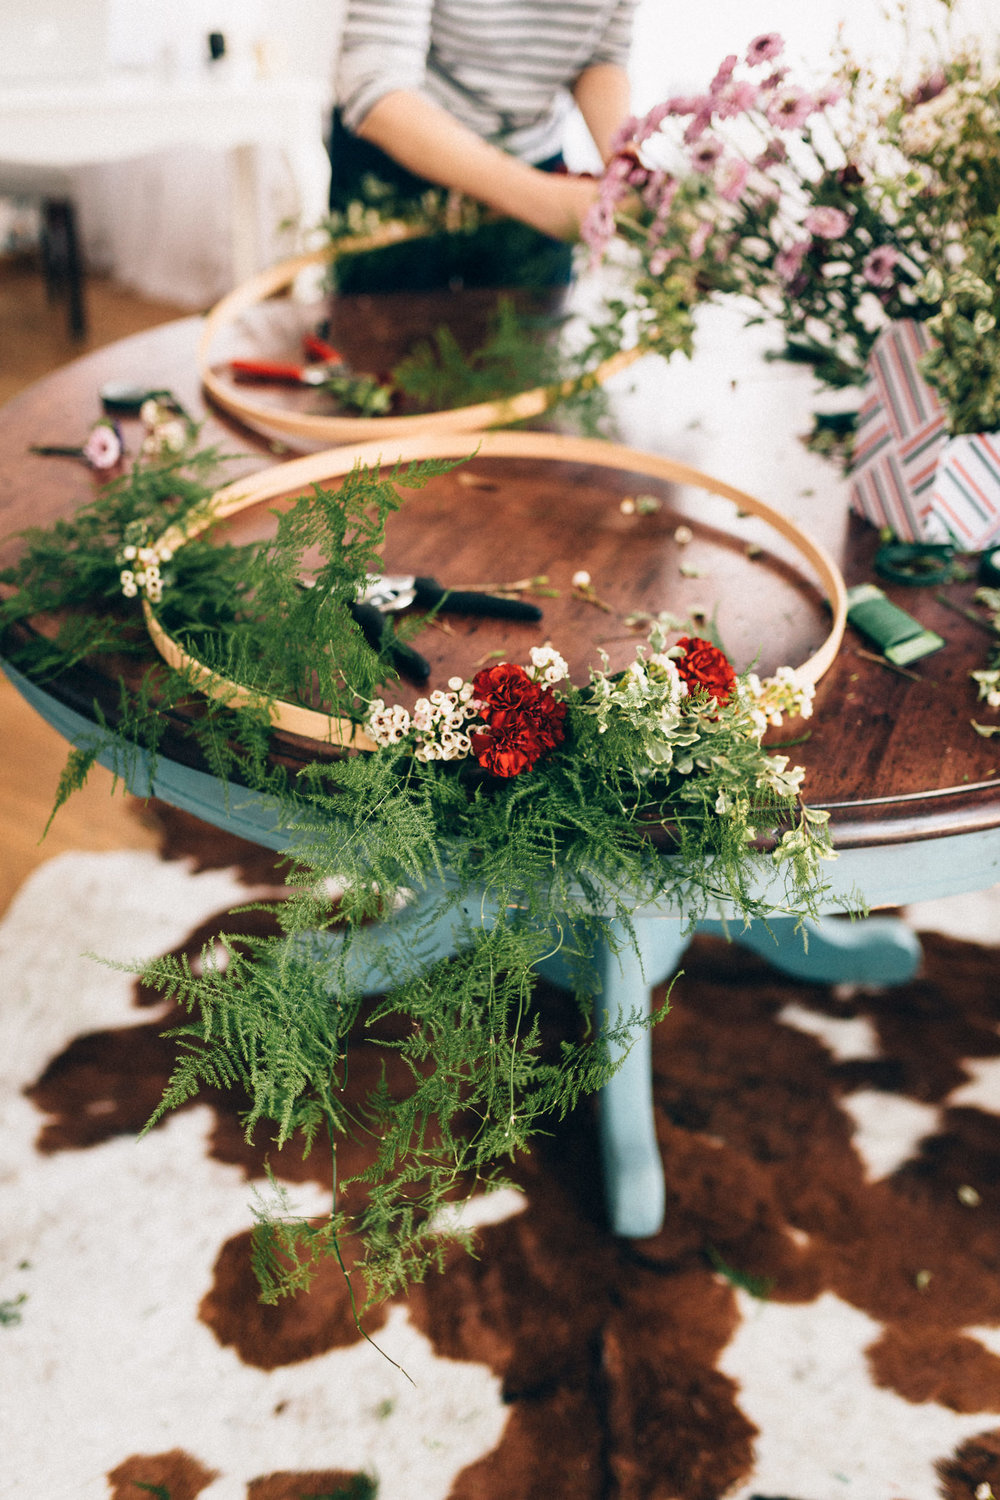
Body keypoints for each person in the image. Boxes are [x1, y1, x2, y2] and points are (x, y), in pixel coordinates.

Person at [329, 0, 639, 291]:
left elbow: (601, 57)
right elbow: (372, 83)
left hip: (538, 165)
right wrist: (544, 202)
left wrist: (627, 167)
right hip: (400, 158)